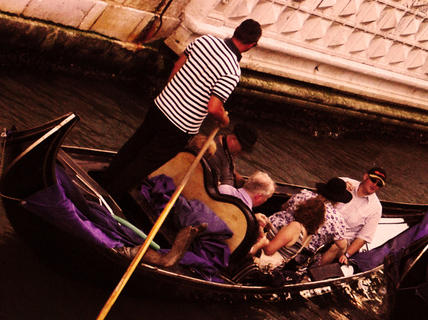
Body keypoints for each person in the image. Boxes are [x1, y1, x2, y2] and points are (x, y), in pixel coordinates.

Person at [102, 20, 262, 211]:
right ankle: (108, 196)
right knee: (145, 162)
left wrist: (171, 91)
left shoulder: (205, 41)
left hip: (161, 104)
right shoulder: (232, 71)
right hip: (180, 125)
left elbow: (179, 64)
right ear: (251, 45)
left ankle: (104, 180)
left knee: (135, 145)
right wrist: (224, 119)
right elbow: (213, 107)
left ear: (236, 31)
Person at [250, 196, 326, 272]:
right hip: (272, 267)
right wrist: (269, 228)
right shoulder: (307, 235)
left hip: (259, 261)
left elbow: (269, 249)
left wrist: (261, 231)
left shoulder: (295, 226)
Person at [330, 168, 386, 265]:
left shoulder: (376, 208)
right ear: (365, 177)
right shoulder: (344, 182)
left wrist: (347, 255)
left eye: (379, 184)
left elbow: (363, 237)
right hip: (323, 225)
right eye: (373, 180)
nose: (375, 185)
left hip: (341, 240)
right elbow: (322, 195)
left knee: (335, 247)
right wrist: (340, 189)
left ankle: (309, 274)